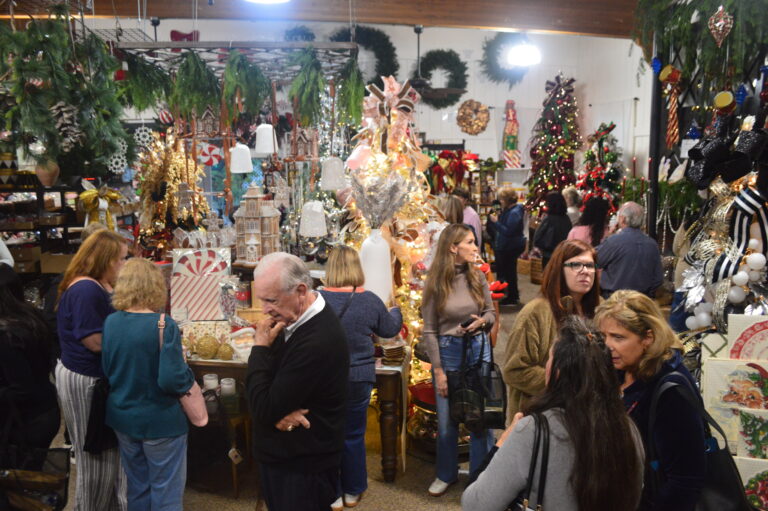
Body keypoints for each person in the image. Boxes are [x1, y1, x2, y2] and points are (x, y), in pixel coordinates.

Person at [462, 317, 643, 511]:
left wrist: (502, 444)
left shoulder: (533, 431)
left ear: (557, 372)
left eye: (549, 358)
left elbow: (476, 504)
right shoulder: (627, 428)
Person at [246, 252, 349, 511]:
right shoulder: (294, 319)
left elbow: (262, 407)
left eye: (271, 300)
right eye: (262, 300)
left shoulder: (316, 340)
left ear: (301, 291)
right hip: (291, 458)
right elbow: (270, 399)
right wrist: (274, 412)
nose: (265, 310)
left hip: (302, 467)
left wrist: (259, 349)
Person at [596, 290, 706, 511]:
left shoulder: (671, 390)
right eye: (603, 336)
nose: (607, 345)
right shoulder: (619, 371)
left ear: (647, 338)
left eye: (618, 337)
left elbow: (684, 480)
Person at [102, 258, 195, 511]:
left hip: (123, 417)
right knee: (166, 491)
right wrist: (188, 375)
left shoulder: (111, 323)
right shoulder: (164, 324)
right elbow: (172, 380)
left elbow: (108, 369)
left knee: (137, 486)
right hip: (161, 420)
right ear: (155, 286)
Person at [319, 246, 403, 510]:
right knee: (354, 434)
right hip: (359, 376)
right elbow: (389, 329)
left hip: (324, 378)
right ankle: (353, 491)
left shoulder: (315, 299)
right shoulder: (369, 300)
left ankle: (332, 492)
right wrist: (396, 310)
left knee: (326, 434)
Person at [55, 229, 128, 511]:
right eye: (121, 259)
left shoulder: (95, 285)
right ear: (105, 260)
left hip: (89, 376)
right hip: (84, 379)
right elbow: (94, 341)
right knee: (94, 453)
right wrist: (132, 338)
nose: (123, 265)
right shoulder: (86, 289)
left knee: (104, 448)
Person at [421, 224, 495, 497]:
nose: (476, 247)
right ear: (453, 247)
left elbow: (490, 313)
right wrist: (438, 371)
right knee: (446, 420)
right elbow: (429, 330)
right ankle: (446, 473)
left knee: (480, 417)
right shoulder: (436, 282)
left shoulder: (478, 275)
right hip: (449, 351)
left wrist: (482, 322)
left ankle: (480, 478)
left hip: (478, 348)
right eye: (470, 242)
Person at [502, 239, 601, 421]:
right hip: (541, 418)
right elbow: (514, 371)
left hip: (587, 416)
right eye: (575, 264)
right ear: (559, 270)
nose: (585, 271)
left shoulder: (601, 310)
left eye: (589, 265)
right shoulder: (536, 312)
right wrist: (566, 382)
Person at [0, 264, 60, 451]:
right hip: (45, 409)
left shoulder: (8, 335)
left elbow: (21, 389)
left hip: (26, 421)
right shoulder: (32, 317)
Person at [597, 201, 663, 298]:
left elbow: (595, 260)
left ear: (622, 219)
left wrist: (609, 235)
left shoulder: (613, 241)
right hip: (642, 301)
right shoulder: (652, 244)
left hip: (614, 301)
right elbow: (658, 279)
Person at [488, 187, 525, 306]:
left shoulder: (514, 212)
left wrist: (495, 222)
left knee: (510, 272)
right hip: (505, 245)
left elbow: (508, 231)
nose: (500, 201)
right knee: (506, 271)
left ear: (506, 199)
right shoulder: (509, 209)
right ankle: (509, 294)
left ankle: (512, 297)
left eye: (501, 199)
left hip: (510, 246)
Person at [533, 191, 572, 269]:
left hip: (548, 254)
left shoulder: (548, 219)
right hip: (563, 255)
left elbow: (537, 238)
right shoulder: (567, 219)